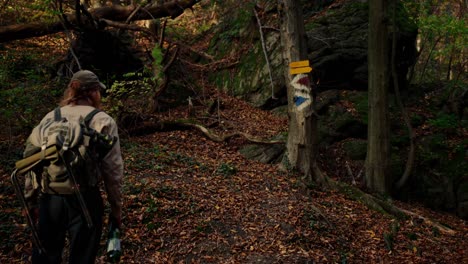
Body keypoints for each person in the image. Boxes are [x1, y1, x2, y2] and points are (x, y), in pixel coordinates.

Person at [23, 70, 124, 263]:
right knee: (82, 257)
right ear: (94, 92)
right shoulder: (102, 120)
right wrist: (116, 210)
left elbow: (33, 161)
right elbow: (113, 171)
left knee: (45, 257)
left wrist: (31, 201)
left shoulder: (50, 117)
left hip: (49, 198)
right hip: (86, 198)